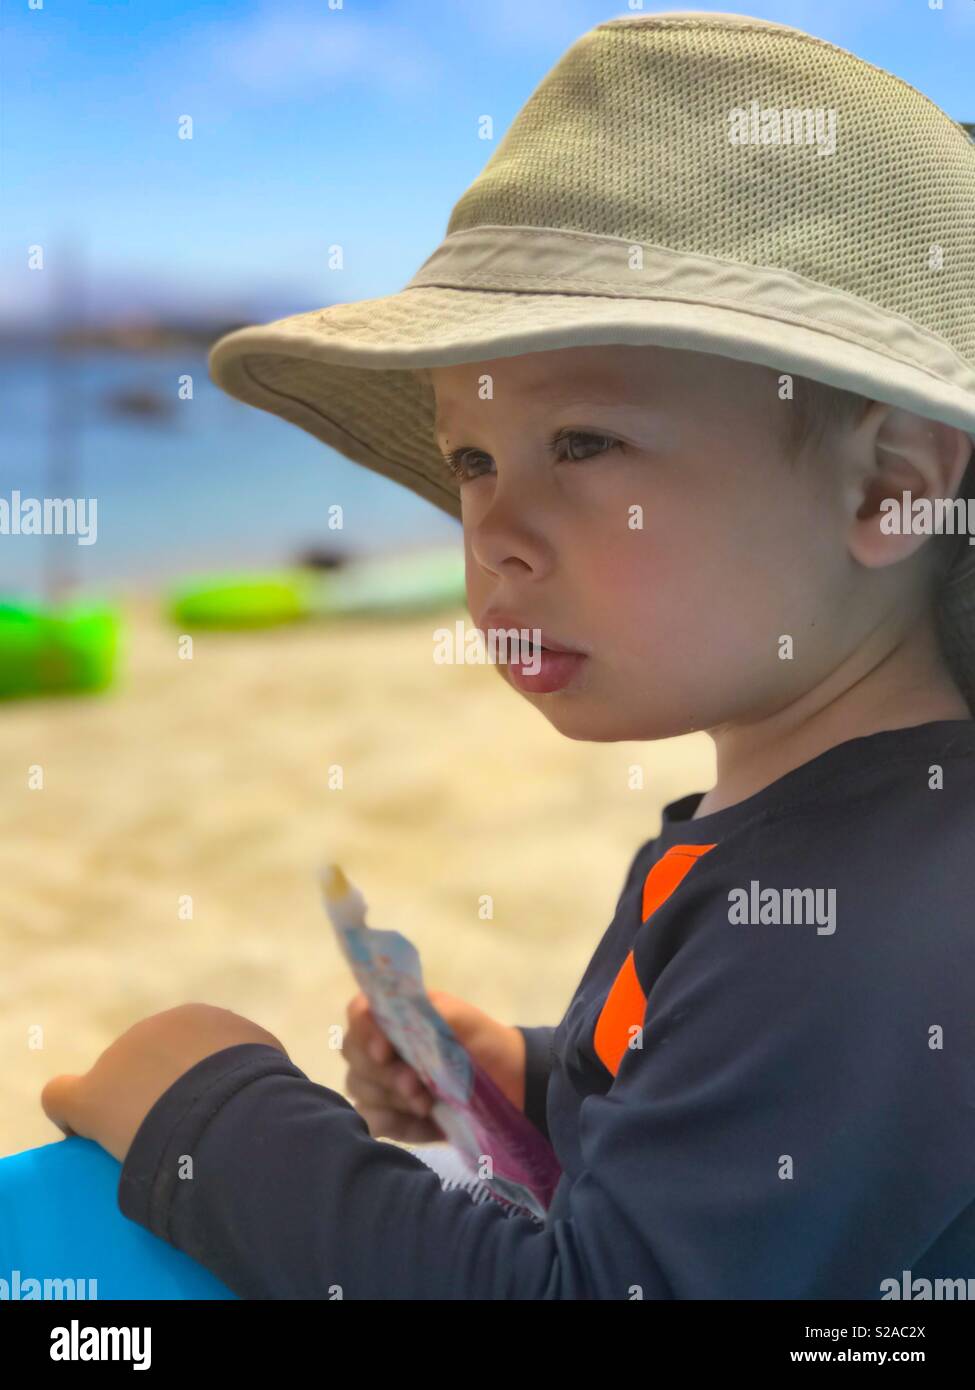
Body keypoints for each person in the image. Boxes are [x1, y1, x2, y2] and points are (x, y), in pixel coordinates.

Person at [40, 11, 975, 1298]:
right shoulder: (831, 829)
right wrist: (541, 1076)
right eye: (471, 461)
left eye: (582, 445)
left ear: (890, 491)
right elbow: (753, 1129)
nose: (495, 537)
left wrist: (209, 1118)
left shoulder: (883, 915)